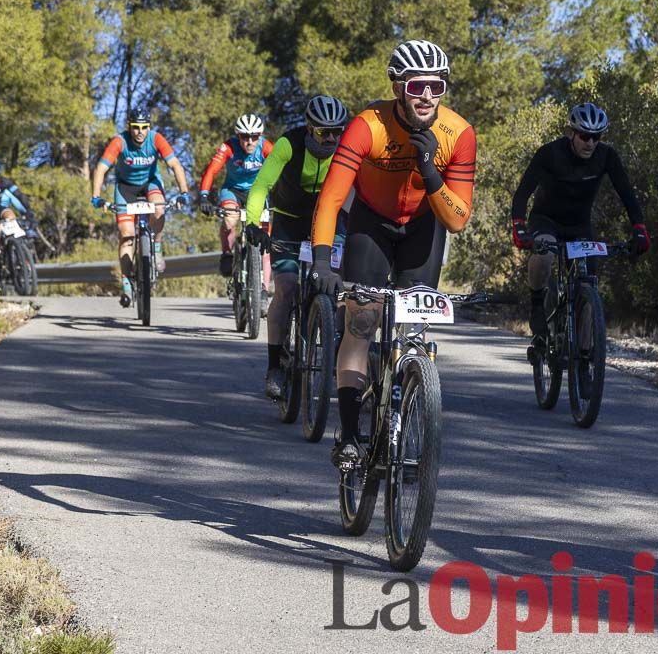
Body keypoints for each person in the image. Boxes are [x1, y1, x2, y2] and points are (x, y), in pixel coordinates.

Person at [309, 39, 477, 467]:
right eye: (418, 85)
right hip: (372, 223)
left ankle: (407, 393)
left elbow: (457, 219)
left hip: (424, 226)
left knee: (414, 329)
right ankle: (348, 433)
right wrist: (323, 261)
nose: (427, 96)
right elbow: (330, 200)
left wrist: (429, 172)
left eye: (437, 87)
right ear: (398, 85)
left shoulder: (458, 134)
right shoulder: (369, 125)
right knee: (361, 319)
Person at [510, 103, 650, 356]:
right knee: (545, 254)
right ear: (570, 133)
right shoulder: (550, 154)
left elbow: (627, 194)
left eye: (597, 137)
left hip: (579, 226)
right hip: (546, 220)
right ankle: (537, 303)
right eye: (585, 136)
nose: (590, 143)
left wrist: (639, 228)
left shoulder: (607, 156)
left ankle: (584, 358)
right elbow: (522, 194)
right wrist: (519, 227)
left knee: (589, 284)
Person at [243, 95, 349, 399]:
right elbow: (261, 185)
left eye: (336, 131)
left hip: (327, 220)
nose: (330, 138)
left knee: (338, 288)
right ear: (308, 127)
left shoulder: (344, 146)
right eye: (322, 132)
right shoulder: (288, 145)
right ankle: (275, 365)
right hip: (289, 220)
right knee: (286, 289)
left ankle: (335, 344)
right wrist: (253, 223)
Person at [91, 112, 191, 307]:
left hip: (150, 184)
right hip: (125, 187)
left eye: (144, 127)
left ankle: (157, 247)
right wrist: (96, 197)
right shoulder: (120, 142)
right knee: (127, 234)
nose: (140, 132)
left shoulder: (156, 139)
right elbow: (101, 169)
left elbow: (175, 165)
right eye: (136, 127)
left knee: (159, 209)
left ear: (148, 127)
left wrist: (184, 192)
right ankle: (127, 282)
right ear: (129, 126)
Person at [198, 114, 274, 282]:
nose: (249, 142)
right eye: (244, 137)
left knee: (265, 242)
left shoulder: (266, 147)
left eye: (254, 137)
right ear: (237, 136)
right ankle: (227, 252)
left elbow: (282, 171)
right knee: (230, 220)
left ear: (259, 136)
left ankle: (263, 291)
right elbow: (211, 171)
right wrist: (203, 196)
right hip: (232, 190)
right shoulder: (229, 147)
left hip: (258, 192)